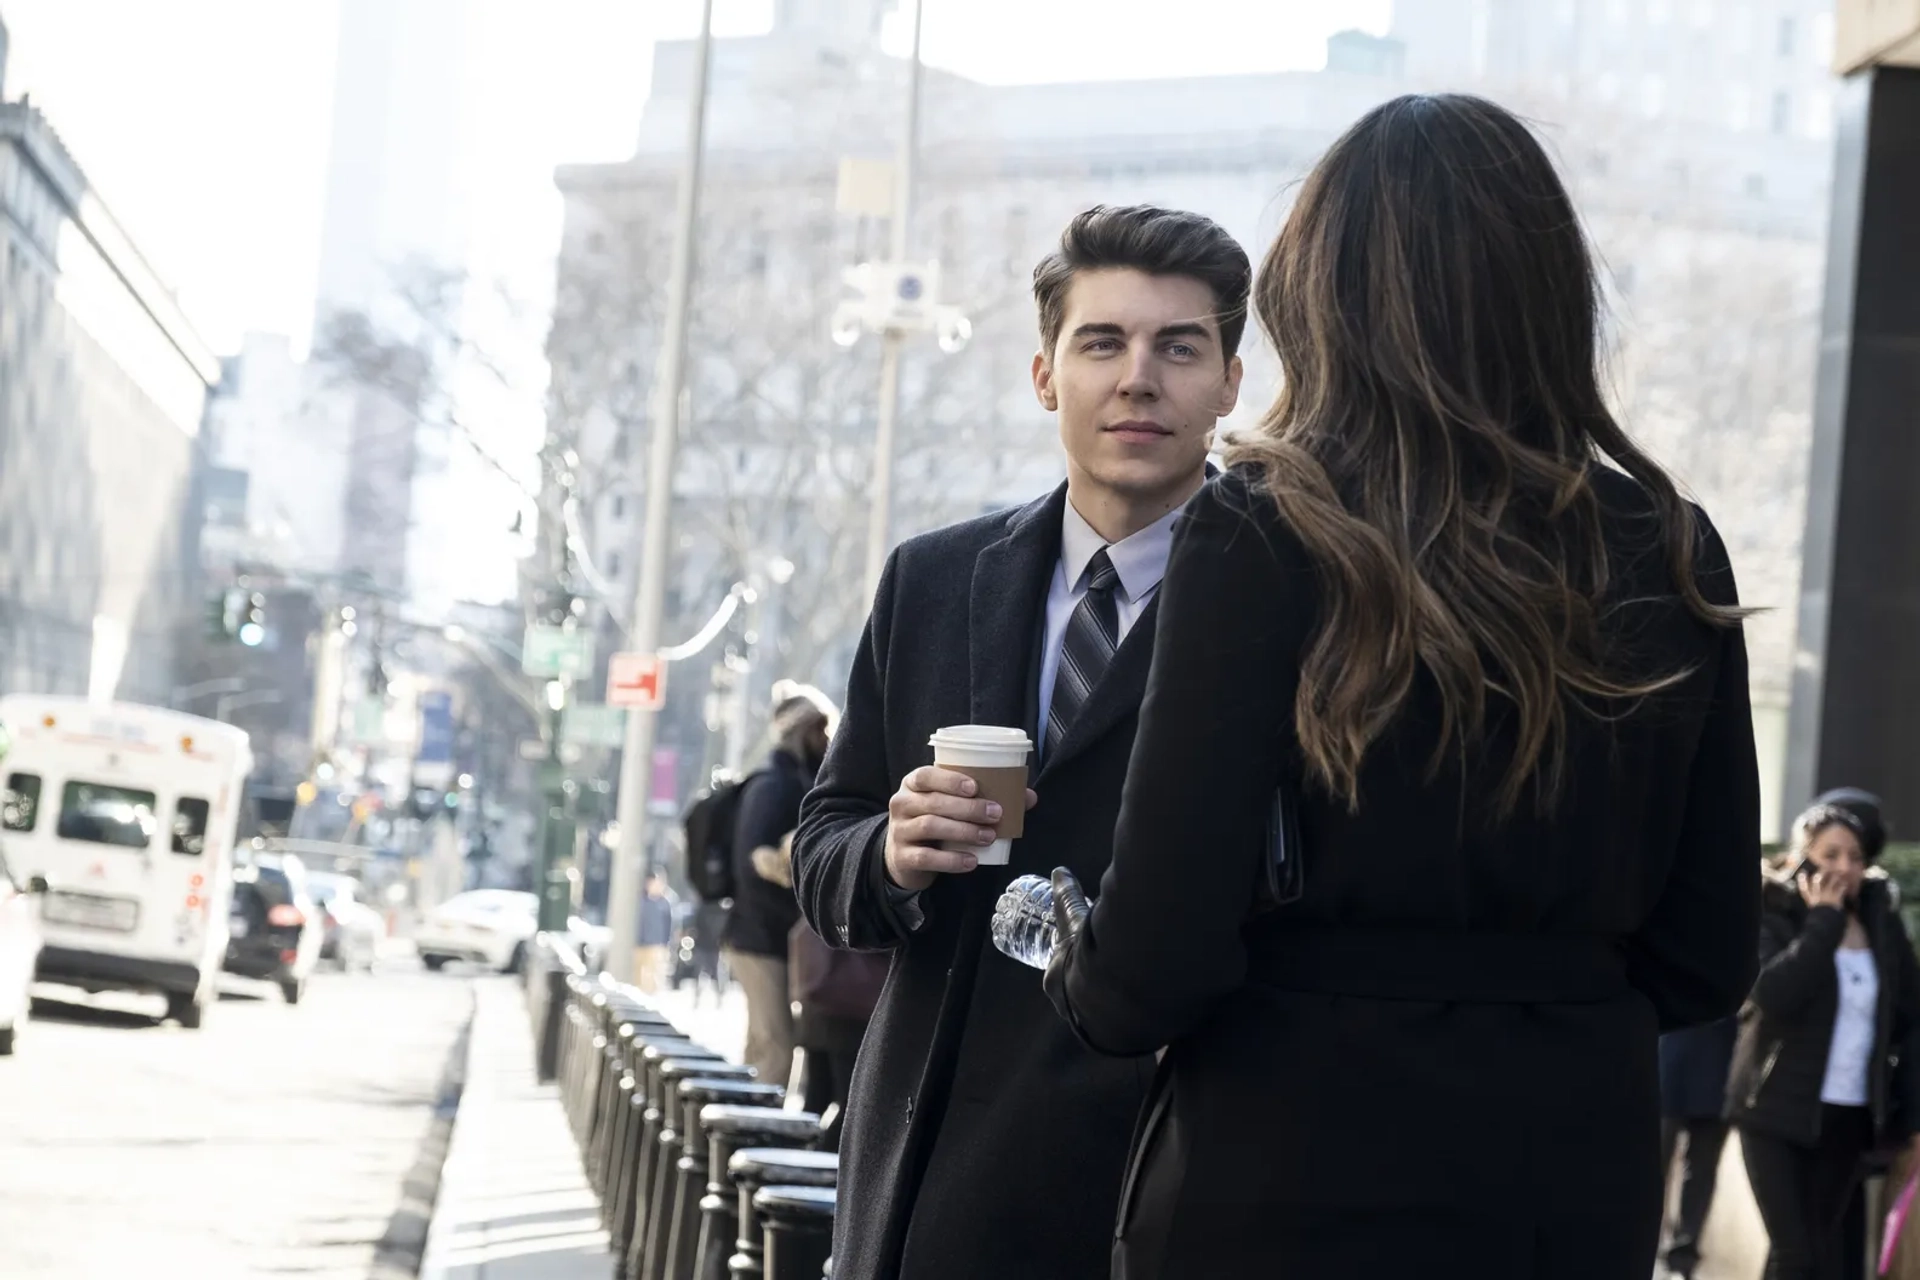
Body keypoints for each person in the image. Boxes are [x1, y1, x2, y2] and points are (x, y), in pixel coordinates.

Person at [1038, 95, 1761, 1279]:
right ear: (1548, 288)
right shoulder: (1665, 545)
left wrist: (1083, 977)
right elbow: (1707, 948)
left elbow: (1160, 945)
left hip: (1286, 1161)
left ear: (1324, 292)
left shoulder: (1267, 529)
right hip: (1567, 1176)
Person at [792, 204, 1250, 1280]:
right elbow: (826, 843)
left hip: (1155, 1159)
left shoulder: (1283, 592)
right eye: (1103, 343)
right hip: (931, 1148)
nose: (1138, 377)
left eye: (1179, 347)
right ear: (1045, 374)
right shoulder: (935, 578)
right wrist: (891, 851)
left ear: (1231, 381)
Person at [1726, 795, 1920, 1280]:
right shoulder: (1773, 909)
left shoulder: (1880, 920)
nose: (1844, 867)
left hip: (1848, 1116)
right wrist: (1824, 921)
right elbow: (1771, 995)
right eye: (1831, 854)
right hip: (1771, 1111)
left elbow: (1908, 1017)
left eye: (1855, 857)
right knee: (1797, 1254)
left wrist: (1907, 1111)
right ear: (1804, 855)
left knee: (1815, 1249)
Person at [723, 683, 834, 1087]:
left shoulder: (798, 781)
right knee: (774, 1050)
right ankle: (755, 1141)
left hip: (771, 938)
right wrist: (804, 875)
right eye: (819, 729)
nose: (826, 738)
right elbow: (755, 860)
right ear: (800, 731)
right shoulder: (774, 785)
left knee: (765, 1046)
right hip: (759, 939)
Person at [1658, 1016, 1737, 1278]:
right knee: (1651, 1163)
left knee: (1702, 1168)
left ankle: (1684, 1253)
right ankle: (1639, 1240)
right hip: (1668, 1060)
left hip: (1719, 1063)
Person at [633, 871, 677, 993]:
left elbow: (670, 925)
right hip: (639, 942)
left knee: (654, 973)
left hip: (656, 943)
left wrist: (667, 943)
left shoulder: (664, 903)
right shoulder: (640, 901)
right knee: (638, 971)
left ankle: (651, 995)